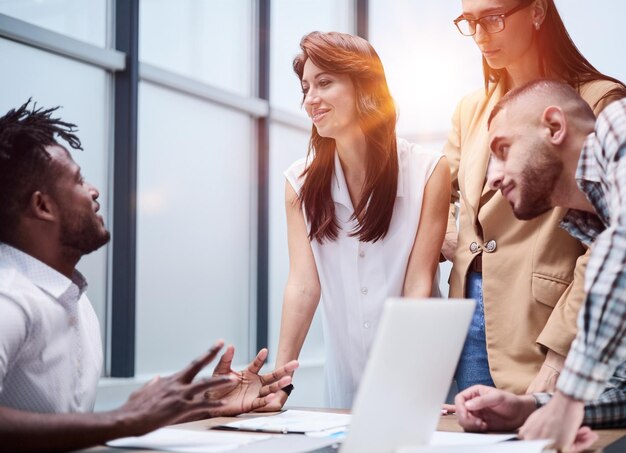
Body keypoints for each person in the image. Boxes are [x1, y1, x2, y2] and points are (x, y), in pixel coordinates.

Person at [0, 100, 299, 452]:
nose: (94, 190)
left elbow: (78, 429)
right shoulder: (9, 298)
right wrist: (125, 418)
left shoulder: (71, 299)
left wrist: (199, 405)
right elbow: (109, 424)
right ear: (43, 206)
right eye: (79, 180)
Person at [444, 0, 626, 393]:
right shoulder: (470, 109)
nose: (480, 35)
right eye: (469, 21)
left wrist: (560, 353)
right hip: (467, 308)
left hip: (547, 317)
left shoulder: (598, 100)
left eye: (493, 18)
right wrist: (451, 240)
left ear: (538, 11)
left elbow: (613, 241)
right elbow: (441, 189)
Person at [268, 31, 450, 409]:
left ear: (364, 87)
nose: (310, 100)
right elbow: (303, 287)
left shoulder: (428, 171)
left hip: (417, 380)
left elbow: (419, 286)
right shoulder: (297, 183)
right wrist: (278, 383)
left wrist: (405, 385)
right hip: (345, 384)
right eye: (305, 87)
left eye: (324, 83)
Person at [480, 79, 626, 451]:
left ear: (555, 127)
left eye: (503, 149)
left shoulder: (616, 126)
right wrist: (528, 409)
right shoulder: (598, 228)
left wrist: (569, 398)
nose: (494, 177)